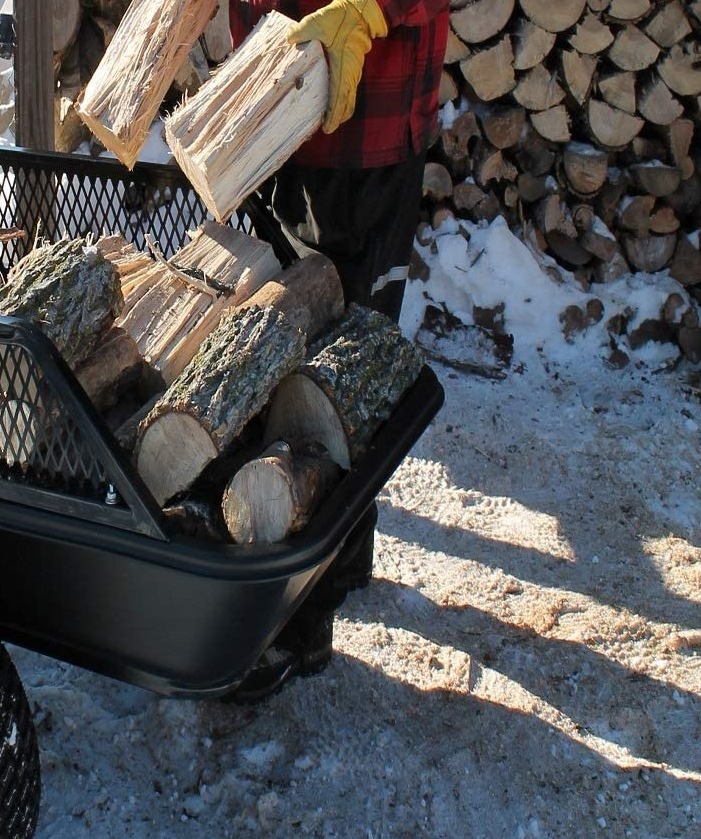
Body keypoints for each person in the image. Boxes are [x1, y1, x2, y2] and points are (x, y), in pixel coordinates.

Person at [226, 0, 450, 702]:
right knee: (279, 345)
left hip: (362, 135)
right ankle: (345, 556)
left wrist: (364, 10)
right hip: (281, 108)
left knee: (330, 370)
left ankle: (300, 619)